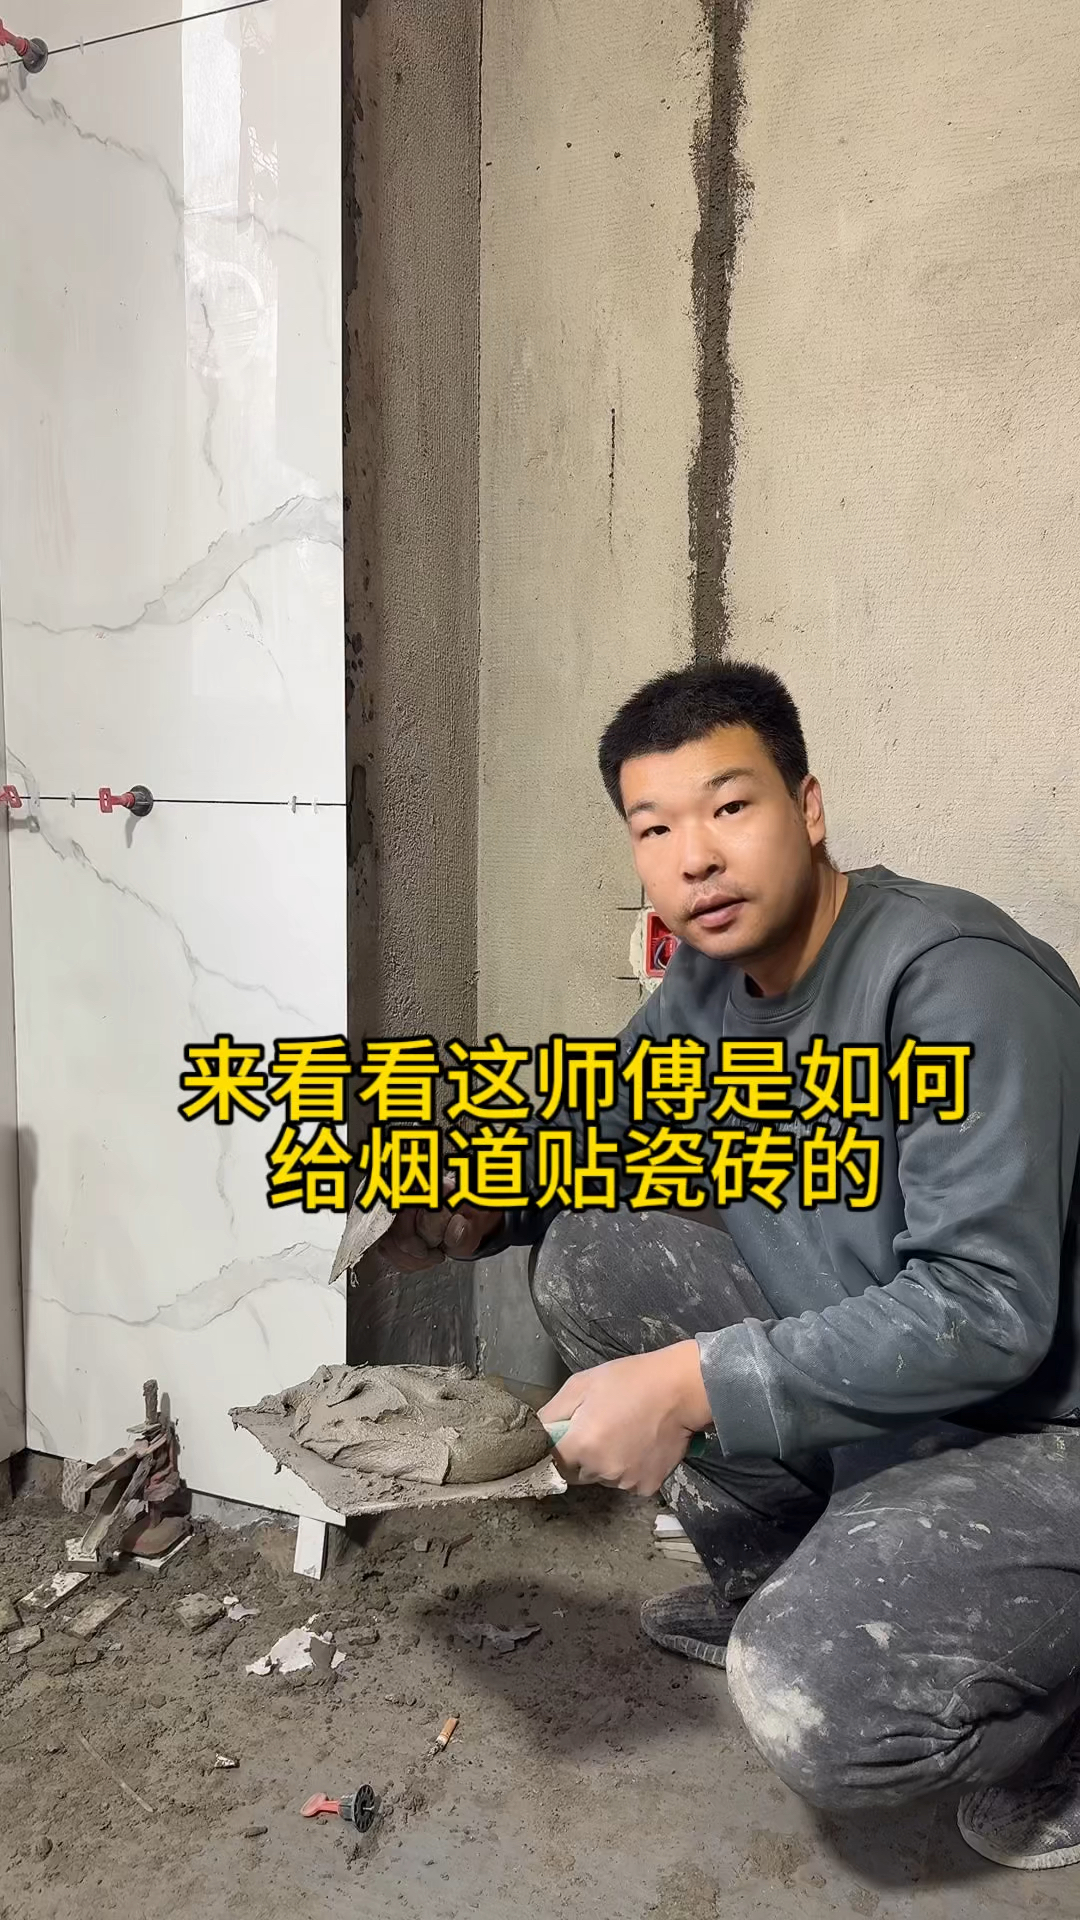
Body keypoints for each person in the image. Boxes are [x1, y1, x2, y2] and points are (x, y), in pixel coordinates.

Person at [382, 661, 1080, 1872]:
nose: (694, 857)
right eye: (655, 828)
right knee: (593, 1259)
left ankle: (1055, 1706)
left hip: (1043, 1426)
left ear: (807, 807)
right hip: (899, 1381)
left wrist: (691, 1383)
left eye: (730, 806)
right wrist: (473, 1200)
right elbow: (602, 1126)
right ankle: (784, 1573)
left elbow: (987, 1309)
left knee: (818, 1697)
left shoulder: (957, 983)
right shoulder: (710, 985)